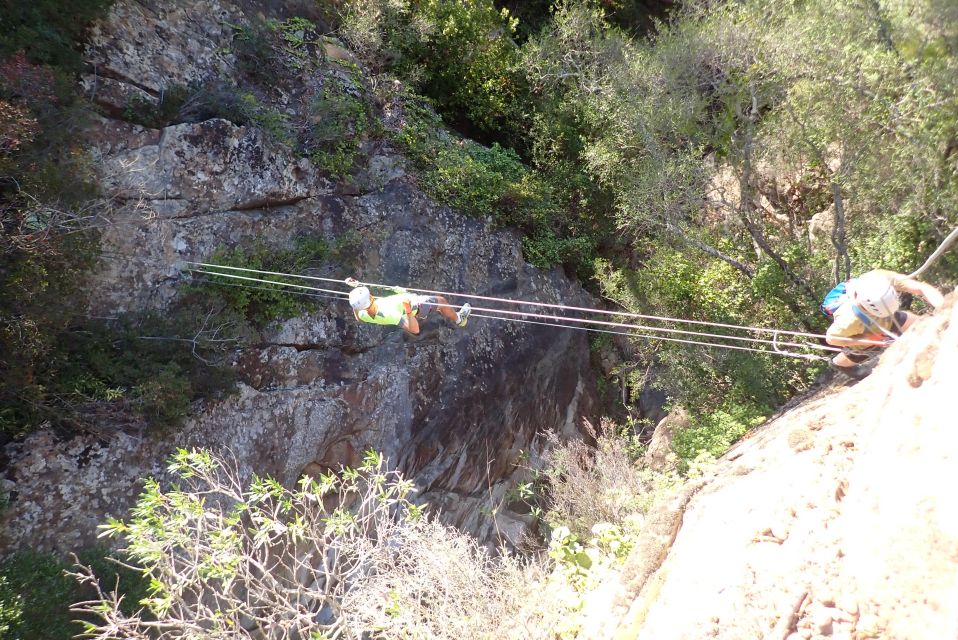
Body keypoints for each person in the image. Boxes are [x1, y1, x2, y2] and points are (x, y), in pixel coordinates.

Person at [825, 269, 944, 379]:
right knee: (868, 346)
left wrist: (944, 309)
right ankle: (839, 363)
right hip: (863, 325)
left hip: (887, 316)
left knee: (922, 324)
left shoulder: (880, 278)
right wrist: (867, 338)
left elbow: (920, 287)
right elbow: (832, 340)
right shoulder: (849, 319)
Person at [345, 277, 471, 336]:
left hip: (409, 301)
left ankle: (457, 317)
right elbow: (415, 330)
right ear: (370, 298)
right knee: (441, 302)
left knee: (439, 301)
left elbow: (358, 317)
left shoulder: (362, 313)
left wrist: (356, 287)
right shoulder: (388, 314)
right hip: (417, 306)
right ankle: (460, 319)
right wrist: (408, 310)